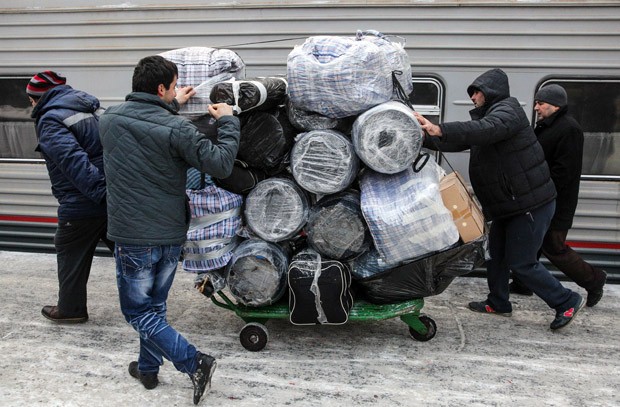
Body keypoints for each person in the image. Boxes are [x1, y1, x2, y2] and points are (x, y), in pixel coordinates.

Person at [99, 55, 240, 405]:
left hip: (133, 236)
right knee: (152, 308)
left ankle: (194, 362)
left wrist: (170, 106)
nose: (177, 91)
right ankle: (148, 368)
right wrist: (228, 122)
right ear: (162, 88)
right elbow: (221, 164)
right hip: (169, 234)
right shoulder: (177, 129)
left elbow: (146, 130)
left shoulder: (109, 120)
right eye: (175, 86)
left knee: (139, 311)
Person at [414, 68, 585, 330]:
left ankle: (566, 300)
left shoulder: (508, 112)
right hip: (508, 205)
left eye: (476, 92)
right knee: (496, 256)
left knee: (522, 263)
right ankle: (498, 302)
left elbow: (483, 130)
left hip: (529, 204)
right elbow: (463, 140)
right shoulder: (492, 121)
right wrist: (422, 137)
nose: (472, 98)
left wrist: (439, 128)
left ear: (490, 91)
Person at [27, 71, 113, 324]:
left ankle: (71, 309)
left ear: (37, 98)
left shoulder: (51, 119)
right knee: (128, 255)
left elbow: (73, 161)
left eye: (30, 99)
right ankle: (146, 304)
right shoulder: (91, 108)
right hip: (108, 196)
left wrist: (101, 195)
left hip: (84, 202)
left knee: (70, 251)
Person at [509, 84, 607, 306]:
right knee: (531, 240)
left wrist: (542, 194)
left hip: (556, 201)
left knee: (554, 246)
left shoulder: (568, 129)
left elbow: (564, 172)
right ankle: (523, 283)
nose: (536, 107)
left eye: (540, 103)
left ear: (555, 105)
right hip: (542, 198)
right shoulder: (548, 126)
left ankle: (594, 280)